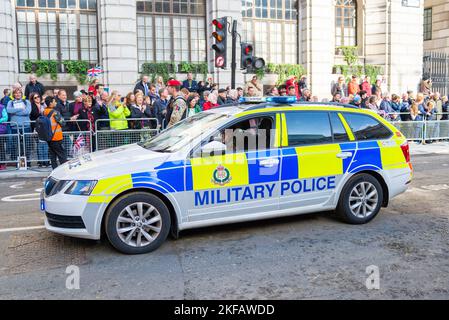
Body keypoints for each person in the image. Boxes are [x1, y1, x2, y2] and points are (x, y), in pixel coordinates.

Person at [6, 88, 32, 164]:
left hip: (26, 126)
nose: (18, 94)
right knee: (16, 145)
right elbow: (8, 110)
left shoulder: (26, 102)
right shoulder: (10, 102)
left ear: (21, 94)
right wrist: (20, 108)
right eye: (16, 93)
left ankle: (28, 162)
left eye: (19, 93)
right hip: (15, 126)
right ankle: (19, 163)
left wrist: (15, 111)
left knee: (27, 145)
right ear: (13, 94)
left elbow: (27, 111)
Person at [43, 96, 67, 169]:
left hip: (49, 137)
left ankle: (54, 170)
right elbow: (63, 123)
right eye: (54, 101)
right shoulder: (55, 113)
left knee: (53, 156)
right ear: (51, 103)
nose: (55, 102)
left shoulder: (44, 111)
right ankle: (64, 171)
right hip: (56, 137)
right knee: (62, 156)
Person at [0, 100, 8, 170]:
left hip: (1, 131)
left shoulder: (2, 107)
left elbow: (5, 117)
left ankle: (2, 164)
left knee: (1, 148)